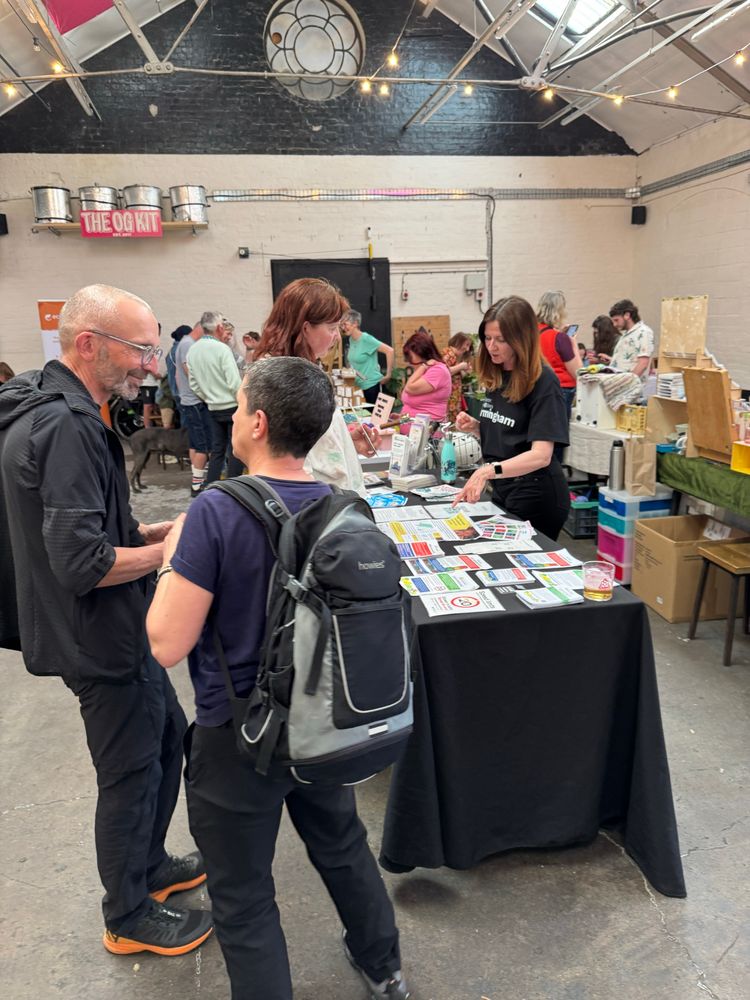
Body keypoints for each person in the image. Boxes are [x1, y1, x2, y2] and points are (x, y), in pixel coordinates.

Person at [146, 356, 409, 1000]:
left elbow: (166, 643)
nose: (233, 418)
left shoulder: (213, 513)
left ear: (257, 423)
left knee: (243, 895)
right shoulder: (342, 507)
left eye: (238, 408)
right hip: (320, 722)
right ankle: (385, 968)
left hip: (236, 738)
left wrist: (170, 558)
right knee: (343, 846)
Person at [0, 284, 212, 957]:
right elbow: (82, 562)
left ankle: (148, 868)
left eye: (153, 350)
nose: (152, 366)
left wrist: (153, 528)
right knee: (130, 772)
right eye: (143, 351)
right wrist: (166, 553)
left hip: (100, 626)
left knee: (166, 740)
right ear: (89, 343)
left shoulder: (54, 402)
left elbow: (89, 527)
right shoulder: (65, 425)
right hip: (97, 636)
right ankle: (127, 913)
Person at [453, 295, 570, 540]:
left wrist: (486, 471)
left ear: (521, 340)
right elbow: (511, 433)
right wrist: (477, 427)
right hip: (505, 487)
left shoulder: (544, 382)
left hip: (537, 493)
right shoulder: (498, 374)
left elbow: (541, 455)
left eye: (501, 340)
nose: (491, 346)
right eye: (487, 338)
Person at [253, 278, 380, 494]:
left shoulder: (301, 369)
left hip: (329, 502)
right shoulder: (278, 379)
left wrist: (345, 442)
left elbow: (307, 439)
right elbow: (286, 462)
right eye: (332, 328)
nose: (337, 337)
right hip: (316, 506)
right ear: (305, 328)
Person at [187, 311, 244, 484]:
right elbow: (234, 382)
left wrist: (210, 397)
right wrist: (242, 401)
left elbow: (194, 385)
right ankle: (233, 488)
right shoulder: (222, 349)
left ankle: (211, 487)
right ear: (219, 327)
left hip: (212, 407)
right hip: (232, 406)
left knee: (217, 450)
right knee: (236, 450)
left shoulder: (192, 350)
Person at [175, 320, 213, 497]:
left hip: (188, 400)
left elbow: (177, 374)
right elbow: (189, 371)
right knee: (202, 445)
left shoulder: (183, 343)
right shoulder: (189, 344)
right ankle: (197, 485)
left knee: (194, 442)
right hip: (195, 401)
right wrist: (205, 392)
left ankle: (196, 478)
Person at [536, 290, 579, 437]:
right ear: (559, 312)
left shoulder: (532, 333)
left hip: (538, 388)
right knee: (557, 438)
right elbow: (578, 372)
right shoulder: (560, 338)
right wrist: (573, 344)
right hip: (561, 390)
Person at [341, 309, 394, 405]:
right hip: (359, 387)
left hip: (371, 387)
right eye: (342, 325)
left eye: (345, 324)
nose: (343, 328)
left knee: (373, 418)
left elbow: (390, 351)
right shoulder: (351, 340)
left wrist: (388, 375)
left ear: (355, 323)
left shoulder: (366, 339)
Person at [399, 330, 452, 421]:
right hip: (412, 430)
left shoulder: (437, 370)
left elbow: (409, 388)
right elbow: (414, 409)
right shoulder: (425, 369)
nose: (409, 362)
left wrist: (423, 366)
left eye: (411, 358)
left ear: (422, 354)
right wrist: (401, 418)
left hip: (427, 433)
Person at [606, 299, 654, 380]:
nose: (614, 324)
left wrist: (628, 383)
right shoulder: (627, 334)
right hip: (619, 384)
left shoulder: (643, 332)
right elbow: (628, 361)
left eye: (616, 320)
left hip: (629, 387)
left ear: (627, 315)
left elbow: (643, 363)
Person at [442, 332, 474, 423]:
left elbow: (455, 376)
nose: (467, 349)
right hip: (448, 397)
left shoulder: (454, 356)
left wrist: (465, 371)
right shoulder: (448, 354)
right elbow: (443, 373)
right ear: (458, 341)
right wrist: (461, 366)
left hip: (454, 397)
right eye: (466, 345)